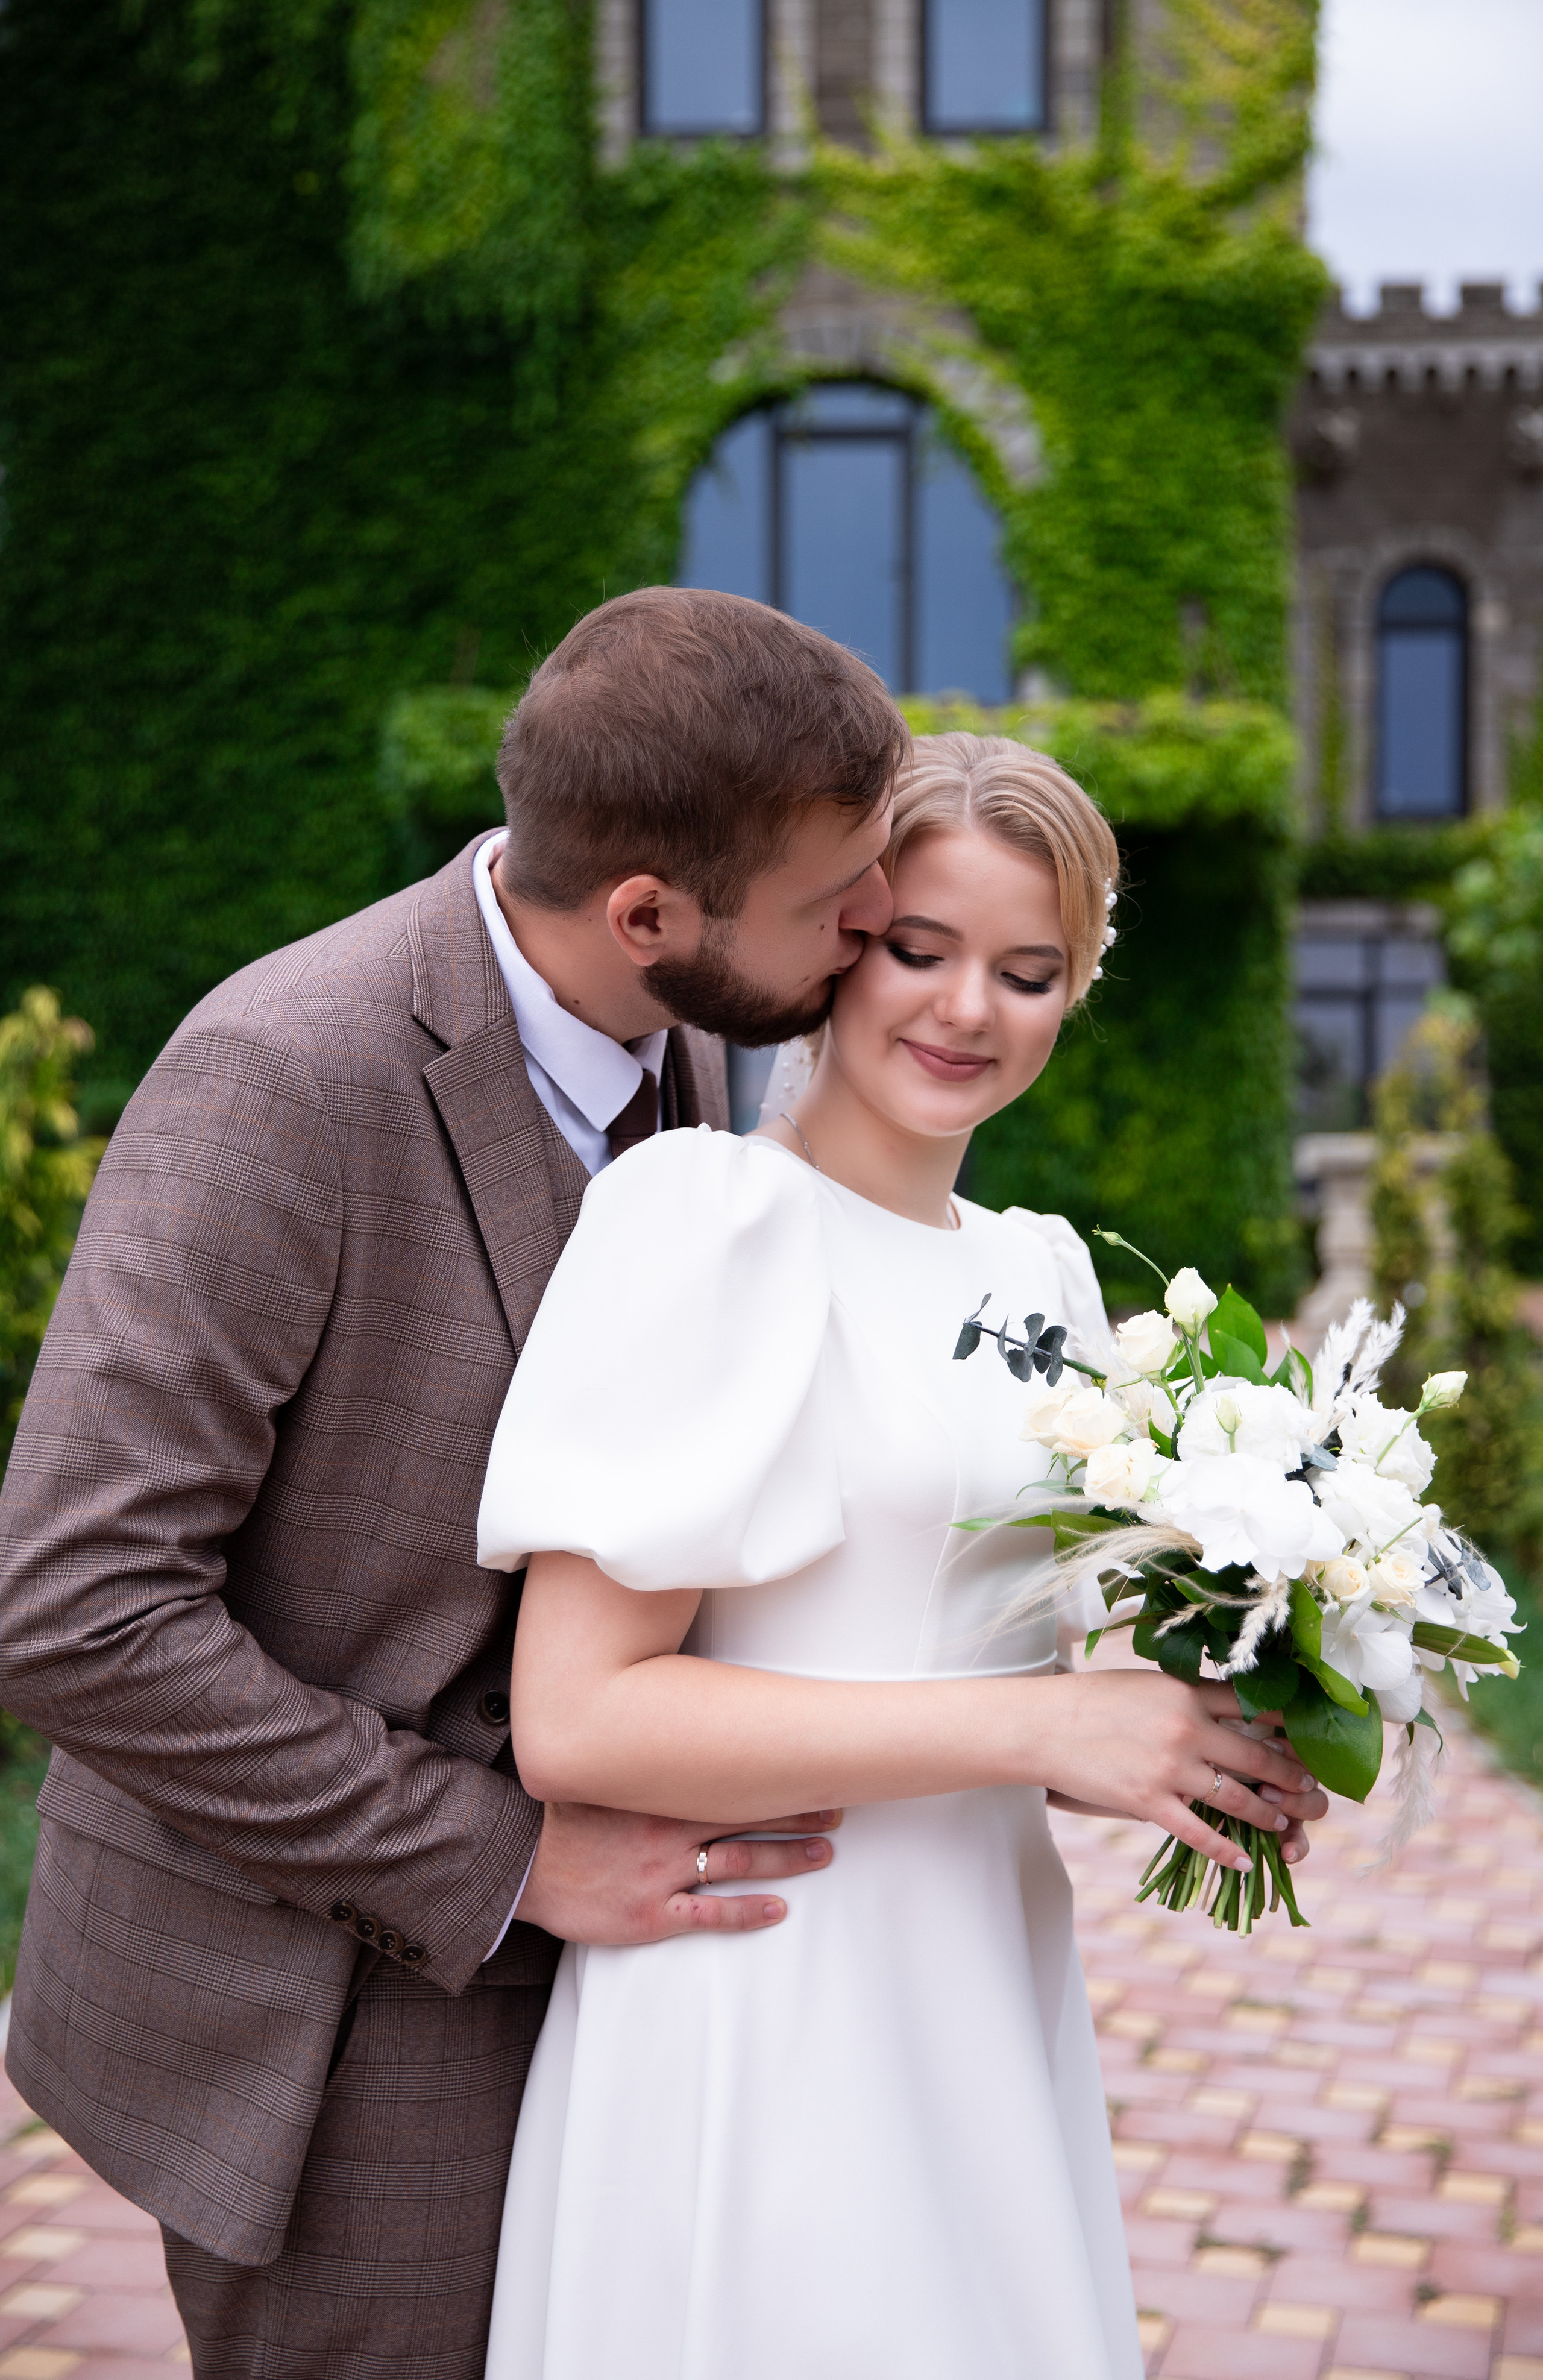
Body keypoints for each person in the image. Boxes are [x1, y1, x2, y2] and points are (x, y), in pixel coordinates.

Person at [0, 588, 910, 2379]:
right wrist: (503, 1860)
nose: (878, 926)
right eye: (837, 899)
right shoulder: (282, 1078)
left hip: (638, 1979)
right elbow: (70, 1611)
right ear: (647, 913)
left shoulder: (709, 1043)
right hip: (345, 2001)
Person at [477, 732, 1328, 2380]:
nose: (965, 1010)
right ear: (837, 946)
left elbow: (1002, 1655)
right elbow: (579, 1722)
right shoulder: (703, 1217)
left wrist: (1186, 1741)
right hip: (764, 1977)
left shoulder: (1050, 1272)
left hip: (982, 1973)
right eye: (919, 950)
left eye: (1028, 969)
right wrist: (1040, 1729)